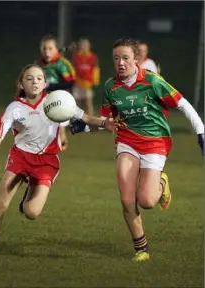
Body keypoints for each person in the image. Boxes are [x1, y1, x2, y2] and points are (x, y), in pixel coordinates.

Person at [71, 38, 204, 262]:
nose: (120, 62)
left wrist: (200, 130)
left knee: (147, 201)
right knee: (126, 198)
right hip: (127, 141)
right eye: (116, 58)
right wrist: (84, 127)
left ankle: (161, 183)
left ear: (136, 59)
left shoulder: (153, 81)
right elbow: (109, 121)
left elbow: (182, 103)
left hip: (154, 142)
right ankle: (141, 248)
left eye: (125, 57)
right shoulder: (110, 87)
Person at [0, 64, 118, 255]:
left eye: (38, 78)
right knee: (0, 203)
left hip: (47, 162)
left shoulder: (57, 101)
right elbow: (0, 133)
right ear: (21, 83)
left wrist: (104, 123)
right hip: (20, 157)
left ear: (45, 83)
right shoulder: (15, 107)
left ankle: (30, 190)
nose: (34, 81)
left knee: (31, 212)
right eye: (29, 78)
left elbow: (84, 117)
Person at [72, 38, 100, 116]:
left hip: (88, 83)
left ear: (89, 46)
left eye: (86, 45)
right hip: (78, 83)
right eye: (82, 45)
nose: (84, 46)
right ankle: (76, 119)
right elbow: (73, 69)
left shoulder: (93, 57)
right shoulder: (76, 57)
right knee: (76, 102)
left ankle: (90, 120)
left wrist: (95, 80)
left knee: (88, 103)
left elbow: (96, 69)